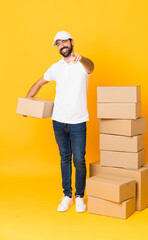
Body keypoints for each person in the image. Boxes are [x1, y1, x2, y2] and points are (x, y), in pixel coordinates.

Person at [25, 31, 94, 213]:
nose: (62, 45)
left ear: (71, 42)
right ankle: (67, 196)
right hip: (58, 121)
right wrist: (26, 103)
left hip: (78, 121)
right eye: (58, 44)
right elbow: (40, 83)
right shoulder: (55, 67)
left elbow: (91, 67)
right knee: (65, 158)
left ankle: (79, 196)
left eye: (64, 42)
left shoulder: (82, 64)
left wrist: (81, 58)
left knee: (79, 159)